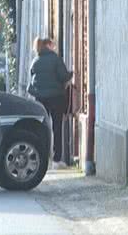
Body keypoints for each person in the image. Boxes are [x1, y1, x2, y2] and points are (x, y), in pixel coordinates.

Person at [28, 37, 73, 168]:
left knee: (42, 128)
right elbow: (63, 76)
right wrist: (71, 74)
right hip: (56, 97)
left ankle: (42, 158)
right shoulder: (55, 59)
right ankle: (56, 159)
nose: (55, 46)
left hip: (40, 99)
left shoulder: (35, 61)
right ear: (48, 45)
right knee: (57, 127)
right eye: (53, 44)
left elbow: (33, 80)